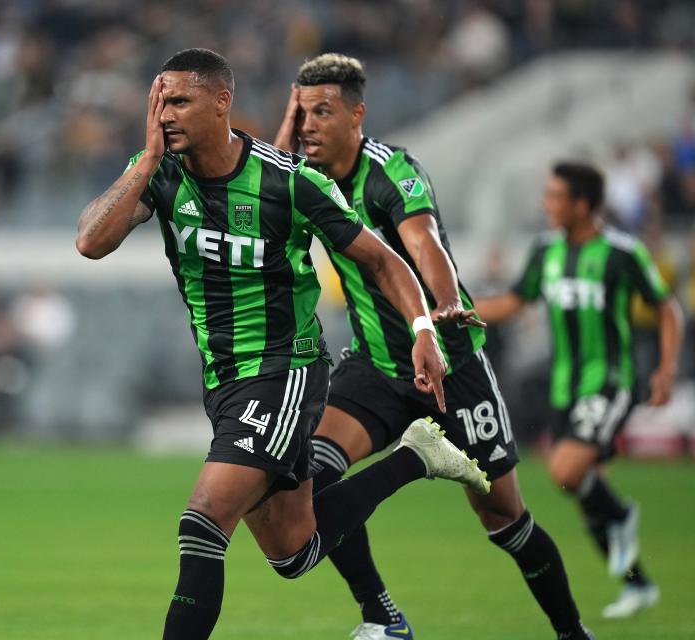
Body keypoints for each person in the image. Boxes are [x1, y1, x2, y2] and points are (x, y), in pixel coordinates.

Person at [76, 48, 489, 640]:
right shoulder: (162, 173)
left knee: (203, 521)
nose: (165, 114)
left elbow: (383, 259)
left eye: (180, 101)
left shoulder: (288, 182)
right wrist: (145, 160)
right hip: (222, 379)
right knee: (293, 552)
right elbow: (91, 242)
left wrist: (424, 329)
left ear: (222, 104)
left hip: (284, 371)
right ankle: (416, 457)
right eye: (159, 101)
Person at [274, 53, 593, 640]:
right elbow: (272, 169)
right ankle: (383, 618)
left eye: (323, 111)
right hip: (374, 366)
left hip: (449, 363)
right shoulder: (302, 176)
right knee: (310, 485)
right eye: (302, 112)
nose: (309, 125)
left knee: (504, 518)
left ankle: (573, 633)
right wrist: (289, 119)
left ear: (357, 115)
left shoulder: (390, 170)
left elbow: (423, 244)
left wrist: (443, 303)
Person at [476, 161, 683, 619]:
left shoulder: (621, 252)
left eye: (554, 197)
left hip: (609, 380)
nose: (545, 205)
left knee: (567, 471)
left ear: (583, 204)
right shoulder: (546, 250)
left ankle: (625, 516)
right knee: (587, 493)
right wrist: (460, 309)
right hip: (564, 387)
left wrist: (665, 369)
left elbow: (666, 308)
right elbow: (516, 299)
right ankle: (636, 583)